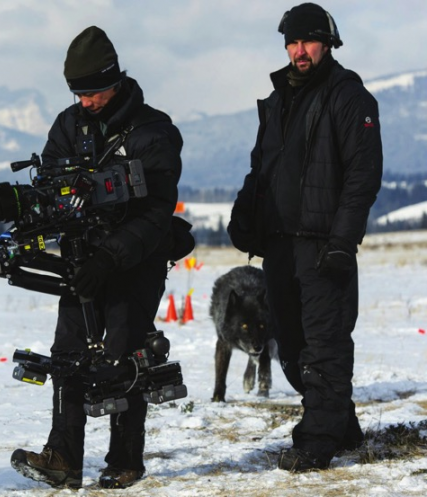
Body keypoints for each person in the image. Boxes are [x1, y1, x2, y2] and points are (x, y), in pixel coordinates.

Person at [10, 26, 188, 489]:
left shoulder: (154, 132)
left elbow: (155, 215)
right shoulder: (67, 127)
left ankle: (125, 459)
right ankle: (62, 458)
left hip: (136, 259)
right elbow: (49, 190)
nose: (85, 102)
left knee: (122, 353)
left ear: (115, 79)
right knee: (68, 353)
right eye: (77, 93)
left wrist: (110, 257)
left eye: (92, 92)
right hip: (79, 260)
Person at [228, 3, 382, 472]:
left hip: (322, 244)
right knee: (291, 348)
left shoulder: (348, 96)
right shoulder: (277, 102)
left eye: (307, 42)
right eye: (292, 43)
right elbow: (263, 170)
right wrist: (245, 215)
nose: (299, 51)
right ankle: (341, 424)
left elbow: (362, 175)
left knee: (324, 344)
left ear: (328, 43)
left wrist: (342, 240)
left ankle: (316, 439)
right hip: (279, 245)